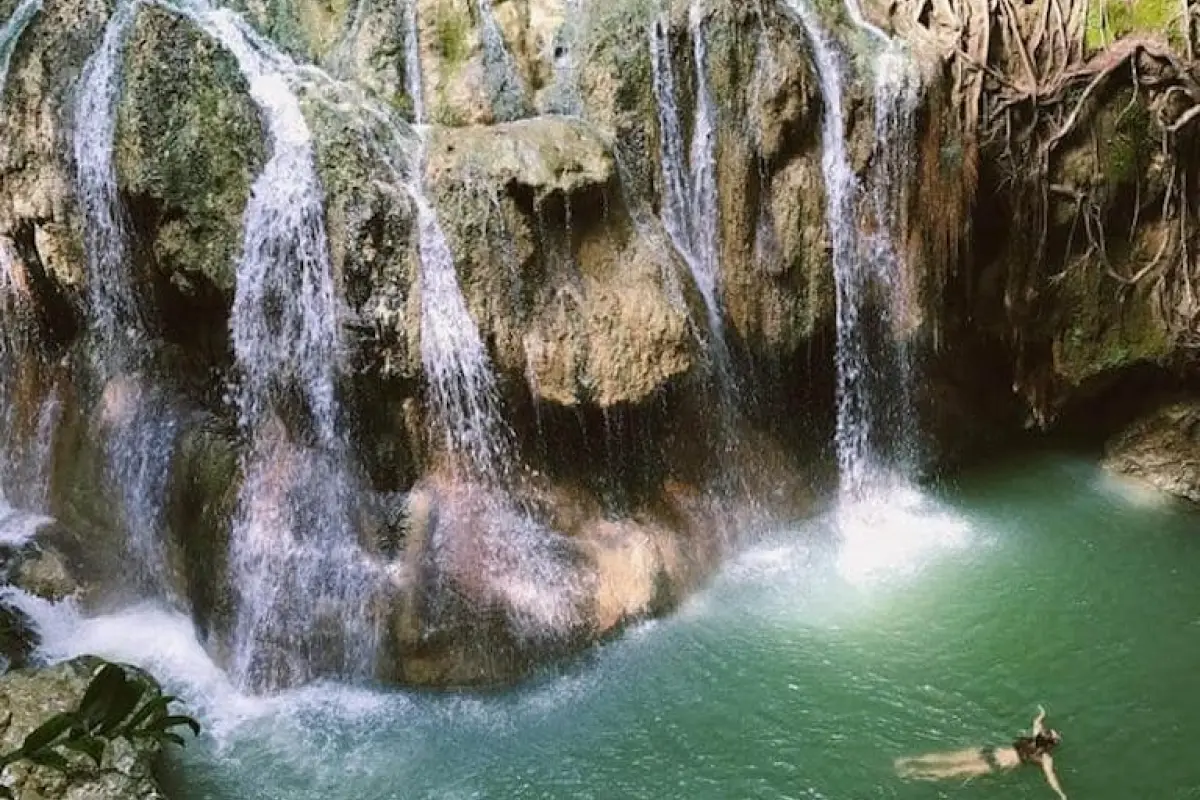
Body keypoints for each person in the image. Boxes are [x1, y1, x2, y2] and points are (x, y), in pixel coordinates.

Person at [894, 705, 1067, 799]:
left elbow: (1037, 722)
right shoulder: (1045, 758)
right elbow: (1050, 778)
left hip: (991, 752)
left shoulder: (1035, 736)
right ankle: (913, 773)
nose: (1055, 733)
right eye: (1055, 735)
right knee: (952, 771)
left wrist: (1041, 714)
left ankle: (907, 760)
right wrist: (1061, 795)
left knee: (950, 758)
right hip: (996, 764)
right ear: (1050, 744)